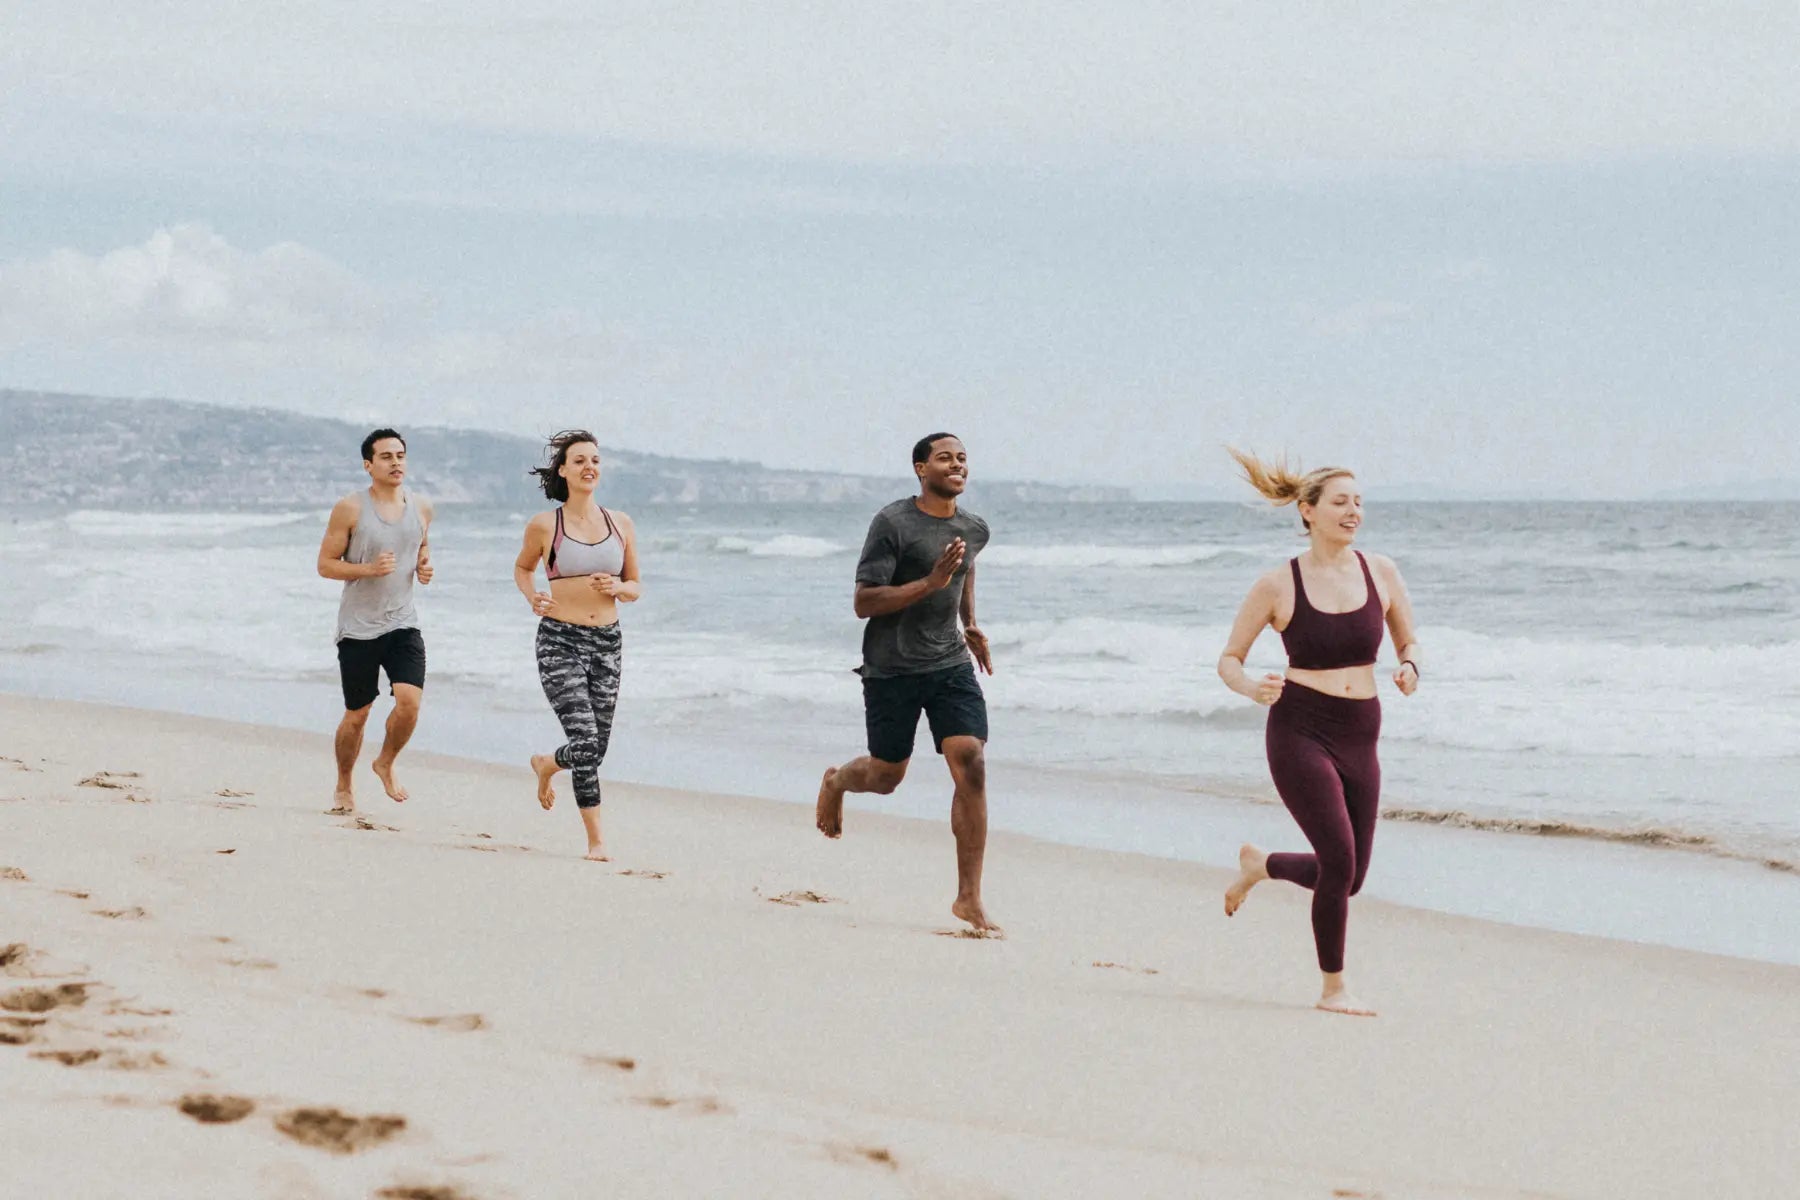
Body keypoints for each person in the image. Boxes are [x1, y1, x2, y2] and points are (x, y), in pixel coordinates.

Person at [1215, 450, 1421, 1017]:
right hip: (1300, 729)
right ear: (1307, 511)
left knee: (1349, 877)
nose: (1354, 511)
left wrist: (1410, 667)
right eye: (1340, 502)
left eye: (1359, 502)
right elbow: (1229, 658)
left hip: (1363, 731)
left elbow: (1409, 641)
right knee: (1337, 858)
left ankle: (1262, 865)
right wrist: (1250, 687)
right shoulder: (1278, 584)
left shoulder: (1381, 571)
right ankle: (1334, 989)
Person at [814, 433, 999, 934]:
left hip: (949, 663)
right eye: (945, 458)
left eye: (963, 457)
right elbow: (864, 602)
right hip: (891, 667)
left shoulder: (974, 528)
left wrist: (970, 623)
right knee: (886, 776)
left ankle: (969, 899)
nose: (957, 464)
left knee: (972, 763)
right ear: (921, 468)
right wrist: (928, 584)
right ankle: (836, 781)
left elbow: (965, 570)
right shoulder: (893, 523)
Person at [514, 430, 641, 861]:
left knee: (596, 750)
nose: (590, 467)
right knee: (585, 741)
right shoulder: (545, 525)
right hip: (559, 640)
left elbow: (636, 585)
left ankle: (548, 763)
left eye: (596, 460)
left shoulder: (620, 523)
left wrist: (619, 586)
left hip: (608, 642)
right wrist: (533, 596)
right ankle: (596, 841)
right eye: (580, 460)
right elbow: (522, 568)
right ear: (563, 470)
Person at [316, 428, 434, 814]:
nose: (395, 462)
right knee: (358, 713)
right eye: (385, 456)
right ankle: (343, 784)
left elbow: (420, 543)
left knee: (409, 702)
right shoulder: (350, 508)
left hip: (402, 621)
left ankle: (385, 762)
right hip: (359, 627)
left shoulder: (422, 506)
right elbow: (325, 565)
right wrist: (368, 568)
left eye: (400, 455)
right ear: (369, 465)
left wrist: (424, 564)